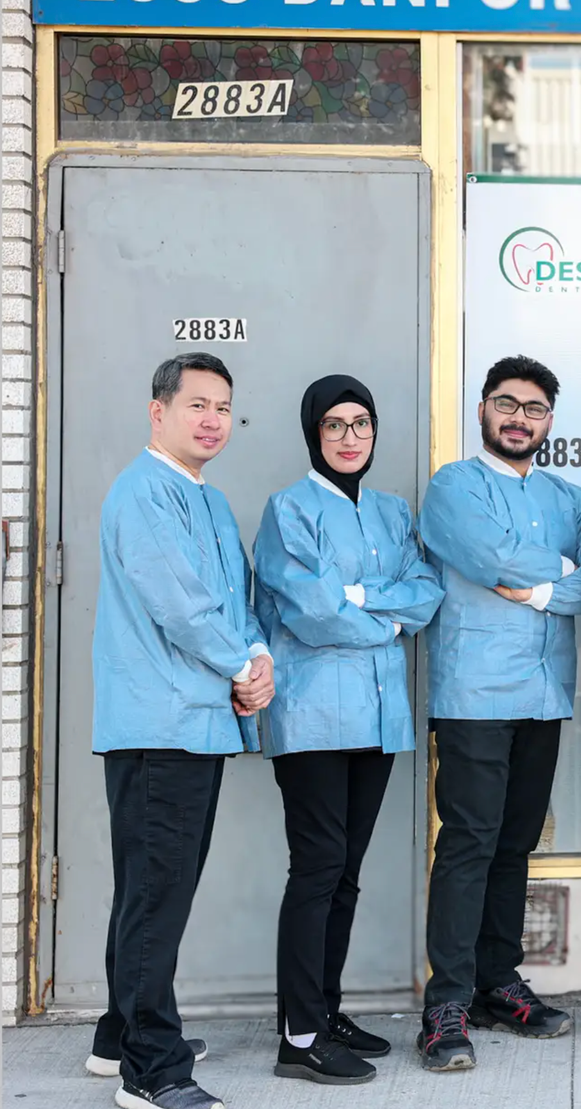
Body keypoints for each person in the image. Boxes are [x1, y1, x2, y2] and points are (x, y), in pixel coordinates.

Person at [87, 353, 274, 1109]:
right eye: (197, 404)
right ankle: (152, 1070)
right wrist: (242, 663)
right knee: (156, 898)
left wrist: (257, 656)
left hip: (198, 723)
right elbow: (182, 608)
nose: (212, 420)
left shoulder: (211, 501)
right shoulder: (142, 492)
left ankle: (118, 1036)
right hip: (158, 725)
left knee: (150, 890)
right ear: (157, 410)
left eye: (223, 407)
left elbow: (236, 601)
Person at [254, 376, 444, 1085]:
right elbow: (311, 612)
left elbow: (425, 592)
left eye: (361, 423)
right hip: (310, 716)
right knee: (317, 867)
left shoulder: (393, 511)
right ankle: (299, 1036)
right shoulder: (288, 510)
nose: (349, 437)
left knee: (346, 872)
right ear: (314, 433)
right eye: (333, 424)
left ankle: (324, 1011)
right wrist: (384, 619)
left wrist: (363, 599)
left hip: (377, 714)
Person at [414, 356, 581, 1071]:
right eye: (507, 404)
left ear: (550, 421)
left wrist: (541, 590)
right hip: (475, 696)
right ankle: (446, 1003)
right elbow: (488, 554)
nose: (520, 418)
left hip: (544, 695)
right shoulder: (454, 486)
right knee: (469, 843)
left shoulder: (570, 498)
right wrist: (560, 571)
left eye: (534, 408)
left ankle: (497, 983)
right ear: (484, 408)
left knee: (515, 844)